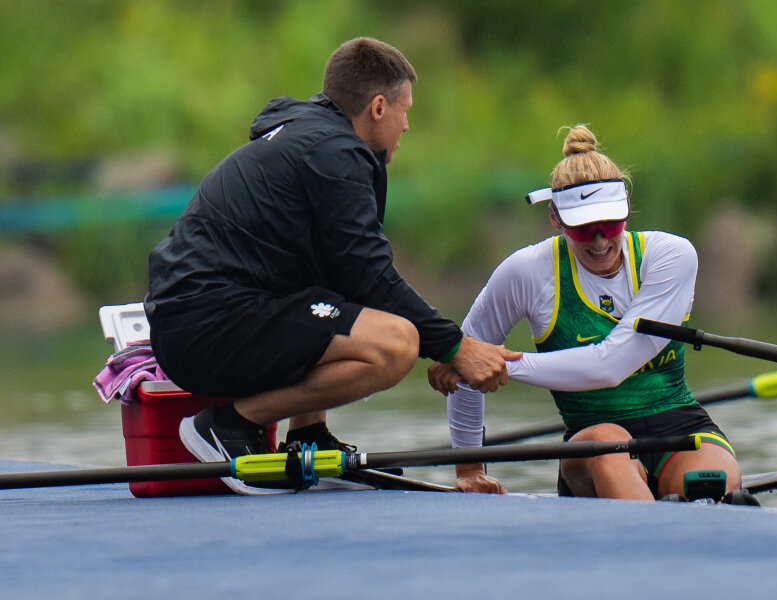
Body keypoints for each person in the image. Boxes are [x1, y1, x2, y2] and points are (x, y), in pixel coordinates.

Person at [144, 37, 519, 494]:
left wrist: (450, 346)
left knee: (336, 293)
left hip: (199, 318)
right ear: (377, 108)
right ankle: (229, 424)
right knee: (396, 344)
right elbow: (372, 276)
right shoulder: (335, 153)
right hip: (203, 327)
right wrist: (454, 347)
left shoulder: (310, 136)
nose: (407, 125)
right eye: (405, 110)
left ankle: (308, 435)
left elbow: (347, 280)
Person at [429, 125, 748, 503]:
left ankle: (685, 510)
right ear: (555, 218)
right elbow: (464, 364)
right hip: (593, 441)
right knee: (609, 443)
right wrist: (470, 470)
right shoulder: (527, 273)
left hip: (681, 427)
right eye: (583, 228)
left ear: (626, 208)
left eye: (610, 223)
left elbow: (610, 366)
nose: (600, 240)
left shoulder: (670, 256)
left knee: (713, 485)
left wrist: (496, 364)